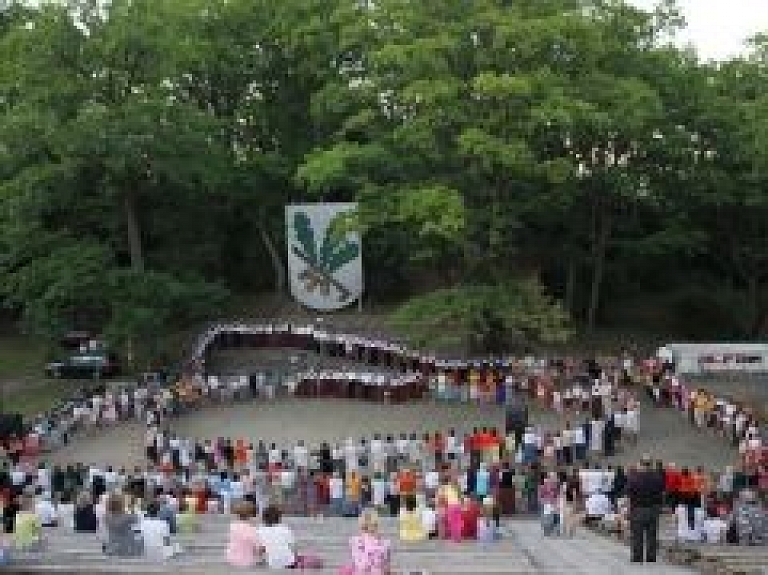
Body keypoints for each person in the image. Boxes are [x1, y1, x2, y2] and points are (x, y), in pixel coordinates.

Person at [627, 454, 664, 563]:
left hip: (637, 509)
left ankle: (637, 557)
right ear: (650, 465)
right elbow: (661, 493)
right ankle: (651, 557)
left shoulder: (634, 478)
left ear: (641, 464)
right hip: (653, 509)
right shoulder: (658, 478)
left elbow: (629, 494)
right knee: (652, 535)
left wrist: (628, 509)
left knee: (637, 535)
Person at [341, 508, 392, 575]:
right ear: (376, 524)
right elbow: (387, 569)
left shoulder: (353, 541)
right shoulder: (385, 544)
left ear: (361, 523)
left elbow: (353, 563)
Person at [227, 500, 262, 568]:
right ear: (251, 515)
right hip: (246, 560)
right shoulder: (251, 529)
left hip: (232, 558)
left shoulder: (233, 526)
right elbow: (258, 548)